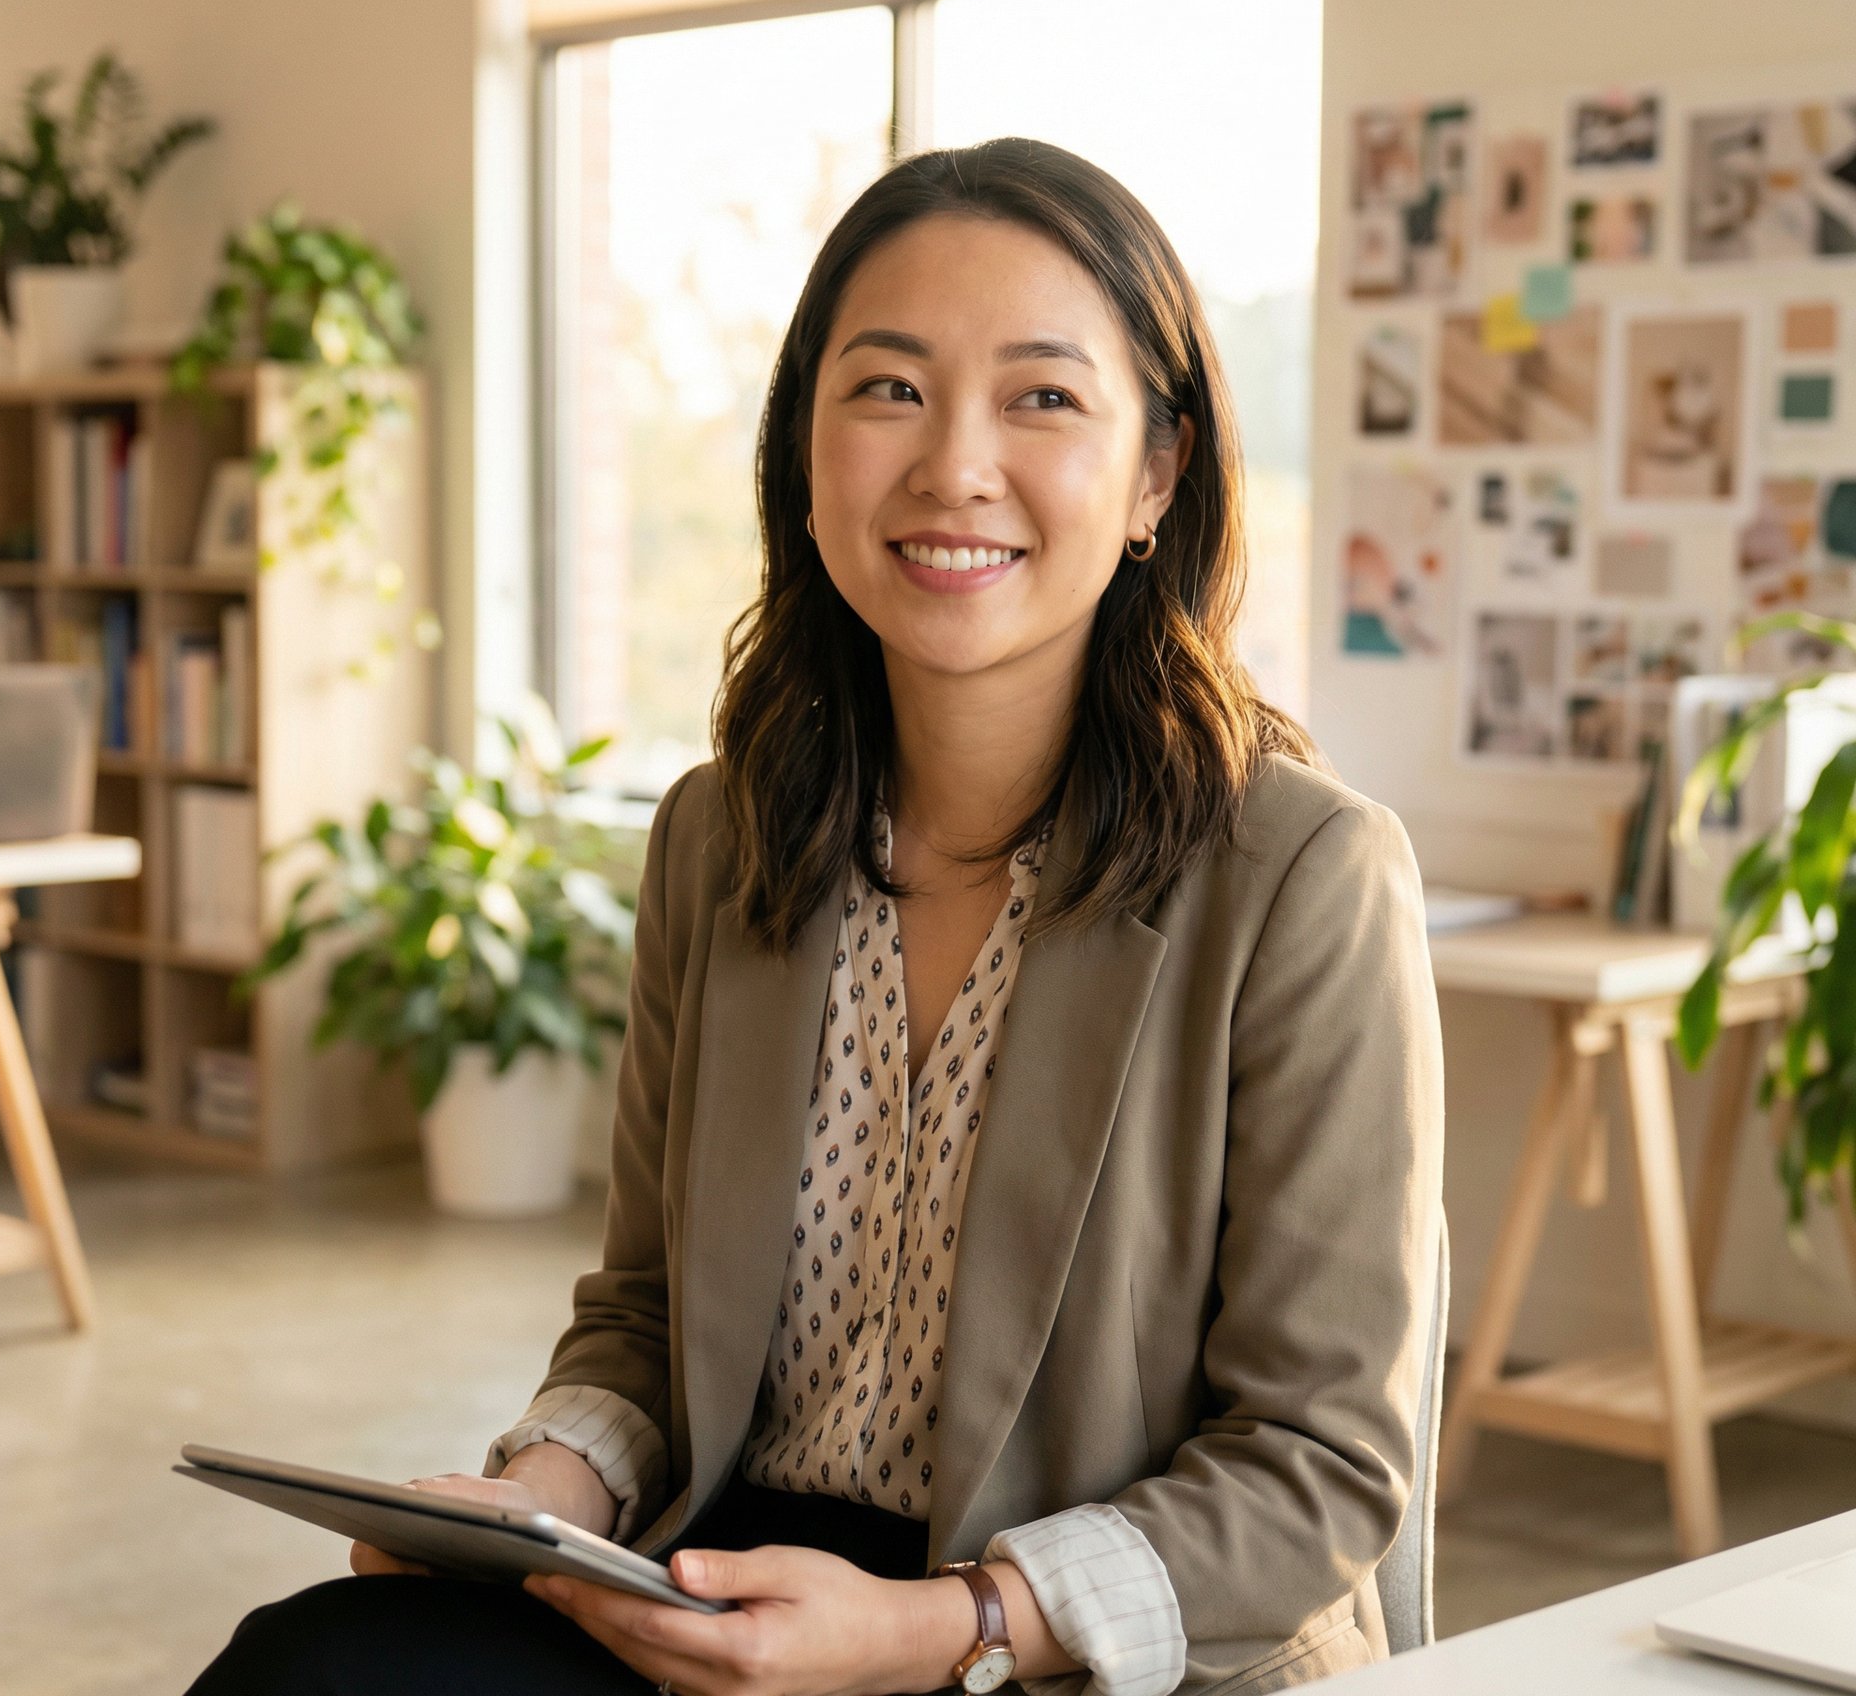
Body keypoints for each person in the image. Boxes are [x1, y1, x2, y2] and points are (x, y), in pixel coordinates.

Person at [187, 138, 1444, 1696]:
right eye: (889, 389)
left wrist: (945, 1624)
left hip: (1079, 1647)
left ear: (1158, 474)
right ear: (804, 447)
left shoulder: (1305, 877)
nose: (953, 467)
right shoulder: (724, 835)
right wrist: (542, 1500)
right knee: (314, 1671)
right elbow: (643, 1322)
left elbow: (1318, 1469)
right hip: (733, 1583)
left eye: (1043, 397)